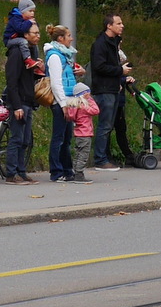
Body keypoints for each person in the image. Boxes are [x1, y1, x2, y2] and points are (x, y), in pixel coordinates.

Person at [90, 14, 134, 171]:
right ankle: (100, 159)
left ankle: (104, 156)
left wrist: (120, 78)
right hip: (104, 89)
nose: (122, 26)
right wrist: (120, 70)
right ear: (109, 26)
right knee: (105, 124)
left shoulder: (113, 44)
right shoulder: (100, 44)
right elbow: (99, 67)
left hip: (113, 88)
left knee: (108, 125)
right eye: (118, 23)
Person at [1, 23, 40, 184]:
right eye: (35, 33)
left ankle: (21, 170)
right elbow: (12, 81)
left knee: (25, 140)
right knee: (16, 138)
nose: (38, 36)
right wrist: (16, 105)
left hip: (28, 101)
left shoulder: (29, 53)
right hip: (19, 101)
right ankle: (11, 173)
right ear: (25, 35)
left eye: (38, 33)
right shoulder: (17, 53)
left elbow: (28, 78)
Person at [46, 24, 81, 182]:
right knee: (59, 138)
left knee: (66, 138)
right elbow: (56, 83)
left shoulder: (64, 56)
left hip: (68, 100)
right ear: (60, 39)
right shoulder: (55, 56)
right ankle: (56, 171)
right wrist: (62, 104)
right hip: (61, 101)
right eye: (69, 36)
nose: (71, 39)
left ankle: (67, 170)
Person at [65, 82, 100, 184]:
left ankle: (75, 172)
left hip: (78, 133)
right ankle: (79, 173)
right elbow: (96, 110)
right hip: (85, 133)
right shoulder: (84, 106)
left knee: (78, 153)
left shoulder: (74, 106)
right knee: (83, 155)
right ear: (84, 94)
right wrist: (90, 101)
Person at [2, 0, 40, 67]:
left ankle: (36, 62)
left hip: (18, 38)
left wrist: (34, 24)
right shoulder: (15, 19)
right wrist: (29, 22)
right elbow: (20, 29)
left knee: (34, 45)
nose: (32, 13)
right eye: (30, 11)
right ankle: (27, 60)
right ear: (23, 11)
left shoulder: (27, 19)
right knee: (23, 42)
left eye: (33, 11)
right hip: (10, 40)